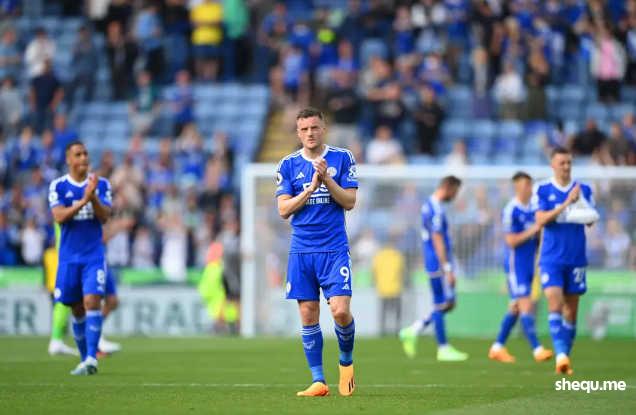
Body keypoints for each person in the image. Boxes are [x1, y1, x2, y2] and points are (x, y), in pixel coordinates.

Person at [275, 107, 358, 397]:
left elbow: (349, 201)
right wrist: (310, 189)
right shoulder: (287, 165)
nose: (310, 133)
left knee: (340, 311)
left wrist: (327, 180)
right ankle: (319, 381)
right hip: (302, 250)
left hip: (334, 249)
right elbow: (283, 209)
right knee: (308, 314)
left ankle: (346, 362)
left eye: (314, 127)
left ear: (323, 129)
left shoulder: (342, 158)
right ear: (298, 133)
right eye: (304, 129)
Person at [48, 141, 112, 375]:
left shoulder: (101, 184)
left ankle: (92, 359)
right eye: (78, 154)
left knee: (92, 301)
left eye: (85, 153)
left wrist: (92, 197)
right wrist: (83, 201)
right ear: (69, 159)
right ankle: (85, 359)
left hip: (93, 256)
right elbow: (59, 216)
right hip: (68, 259)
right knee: (76, 308)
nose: (84, 157)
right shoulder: (58, 186)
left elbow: (105, 216)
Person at [534, 148, 599, 375]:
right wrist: (566, 204)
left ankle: (564, 358)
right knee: (554, 303)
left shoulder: (584, 189)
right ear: (552, 165)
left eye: (569, 163)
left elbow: (591, 220)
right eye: (562, 163)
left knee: (571, 311)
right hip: (551, 258)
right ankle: (560, 355)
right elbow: (540, 220)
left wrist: (580, 205)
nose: (566, 167)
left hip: (576, 258)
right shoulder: (542, 189)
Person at [399, 176, 469, 361]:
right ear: (448, 187)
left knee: (448, 303)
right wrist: (447, 267)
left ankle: (414, 329)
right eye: (455, 191)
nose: (455, 196)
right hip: (438, 262)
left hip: (434, 261)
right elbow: (437, 239)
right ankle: (443, 348)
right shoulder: (436, 208)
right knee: (441, 303)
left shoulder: (429, 205)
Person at [488, 172, 553, 363]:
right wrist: (534, 229)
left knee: (515, 308)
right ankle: (537, 349)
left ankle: (497, 347)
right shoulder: (511, 210)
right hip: (515, 265)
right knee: (526, 305)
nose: (529, 188)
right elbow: (511, 241)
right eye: (526, 185)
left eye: (530, 184)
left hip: (529, 264)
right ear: (517, 186)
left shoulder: (533, 208)